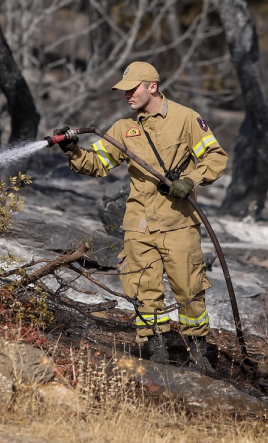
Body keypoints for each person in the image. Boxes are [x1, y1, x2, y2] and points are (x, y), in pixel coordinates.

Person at [53, 61, 227, 370]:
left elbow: (215, 157)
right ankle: (156, 352)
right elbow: (97, 164)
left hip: (178, 223)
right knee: (144, 291)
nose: (126, 96)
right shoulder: (124, 129)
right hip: (139, 225)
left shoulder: (187, 119)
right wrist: (73, 150)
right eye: (123, 91)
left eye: (132, 89)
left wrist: (190, 180)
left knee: (189, 289)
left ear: (152, 87)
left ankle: (198, 352)